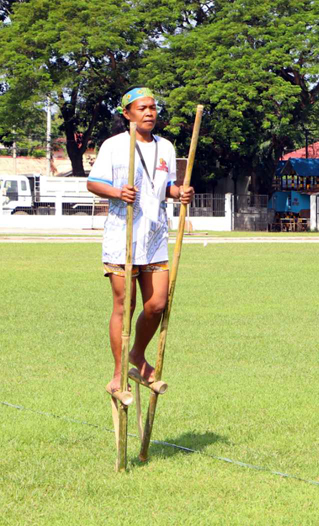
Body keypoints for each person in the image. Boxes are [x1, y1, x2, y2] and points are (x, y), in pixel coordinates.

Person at [87, 86, 194, 397]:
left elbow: (166, 187)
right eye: (142, 108)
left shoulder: (167, 148)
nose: (149, 113)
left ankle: (137, 355)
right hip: (123, 235)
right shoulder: (114, 146)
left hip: (156, 234)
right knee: (125, 304)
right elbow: (93, 182)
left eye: (153, 108)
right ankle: (118, 376)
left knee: (158, 303)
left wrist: (179, 193)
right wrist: (117, 192)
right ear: (127, 113)